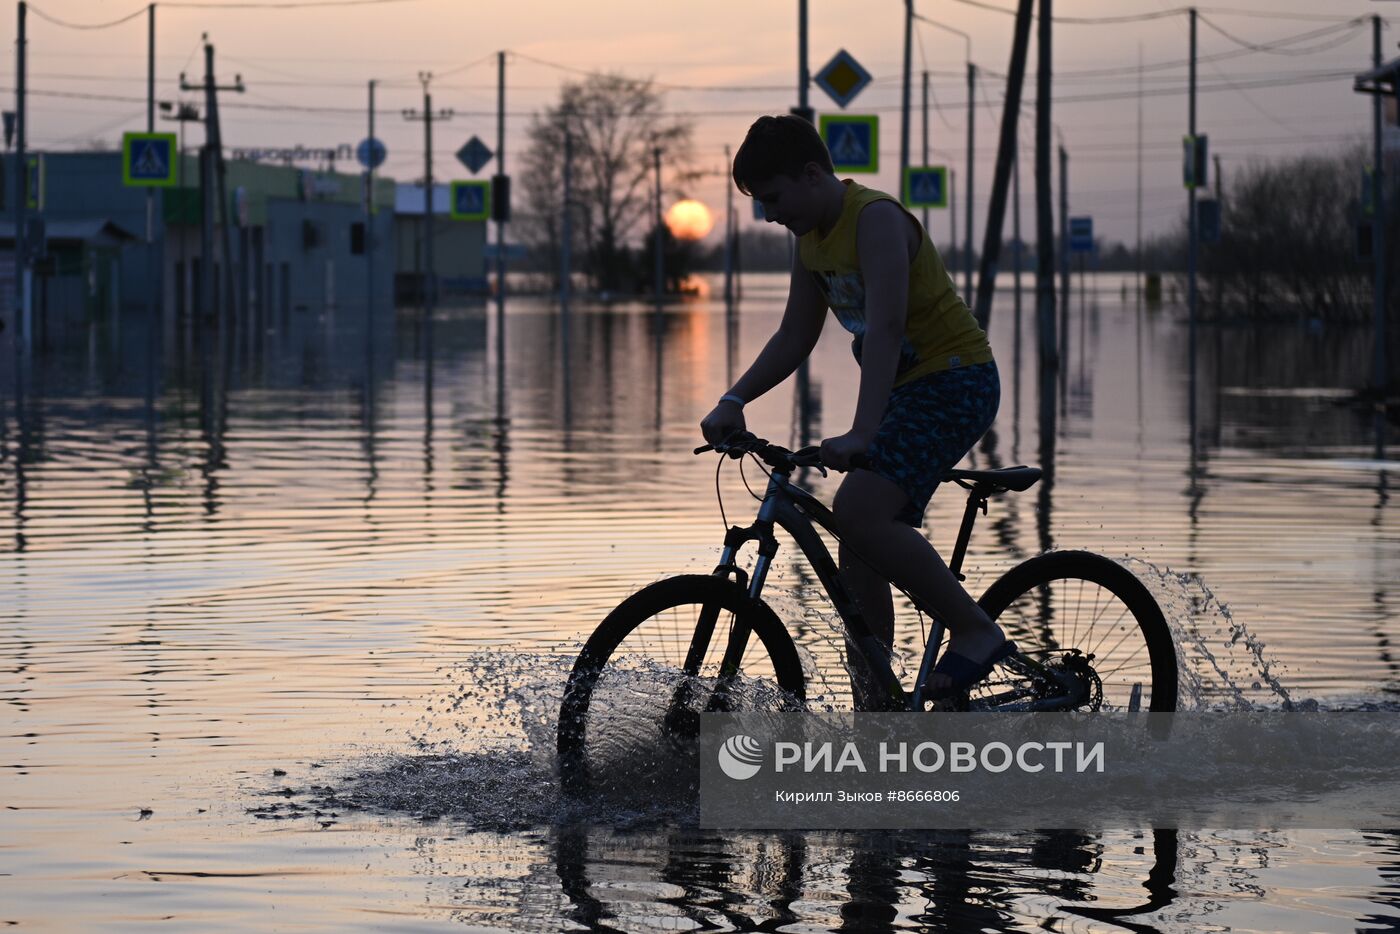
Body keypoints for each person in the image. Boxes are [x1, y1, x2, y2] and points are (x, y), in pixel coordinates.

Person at [699, 114, 1012, 702]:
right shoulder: (810, 239)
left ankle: (976, 630)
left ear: (813, 174)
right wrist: (733, 399)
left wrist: (863, 431)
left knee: (862, 512)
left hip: (956, 379)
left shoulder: (875, 219)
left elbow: (889, 326)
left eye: (773, 198)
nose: (769, 215)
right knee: (858, 544)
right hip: (906, 388)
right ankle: (878, 706)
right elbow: (795, 335)